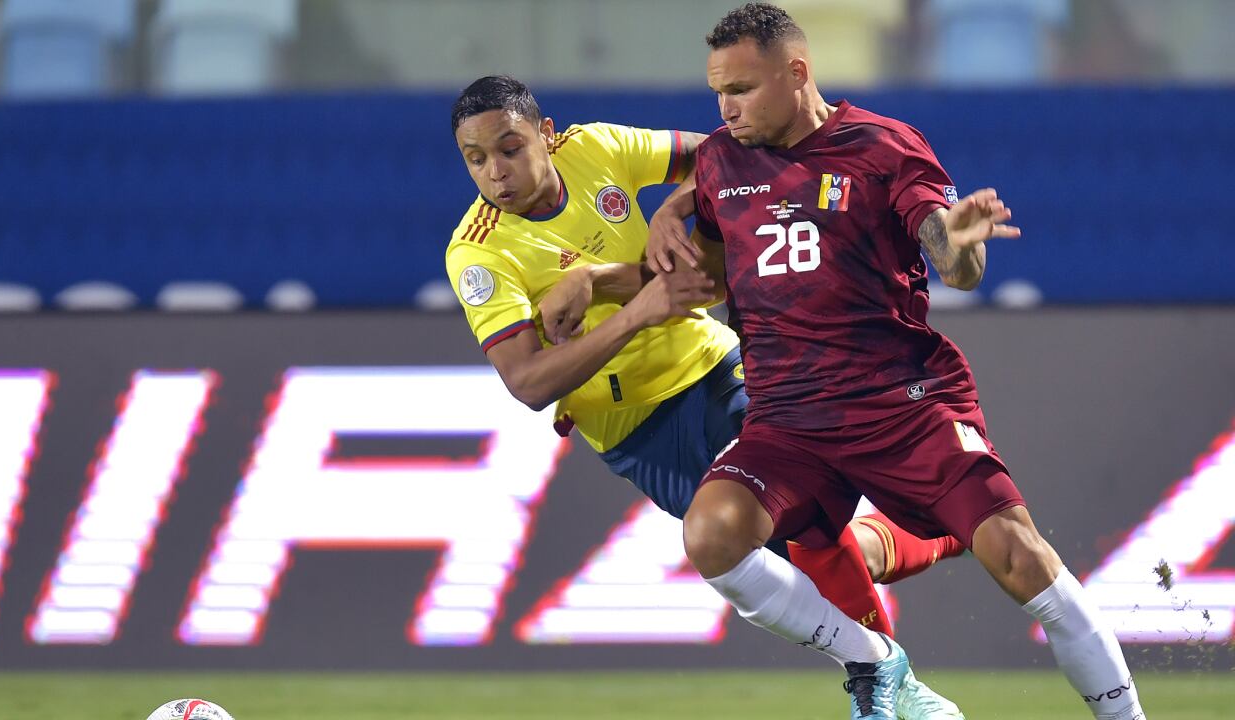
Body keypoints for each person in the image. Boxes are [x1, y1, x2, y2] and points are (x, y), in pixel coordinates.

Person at [651, 5, 1146, 720]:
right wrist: (627, 256)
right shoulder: (722, 160)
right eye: (718, 92)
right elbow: (701, 253)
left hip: (901, 404)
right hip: (787, 422)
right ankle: (875, 661)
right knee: (712, 534)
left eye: (742, 89)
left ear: (797, 73)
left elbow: (956, 263)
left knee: (1018, 557)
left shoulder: (883, 146)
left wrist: (961, 246)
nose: (725, 109)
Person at [446, 75, 965, 719]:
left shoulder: (595, 148)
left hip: (717, 368)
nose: (496, 173)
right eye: (476, 159)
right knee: (801, 556)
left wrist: (671, 211)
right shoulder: (478, 253)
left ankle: (885, 684)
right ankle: (942, 530)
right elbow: (528, 383)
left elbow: (723, 154)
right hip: (636, 434)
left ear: (546, 135)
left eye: (510, 148)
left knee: (804, 523)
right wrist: (637, 310)